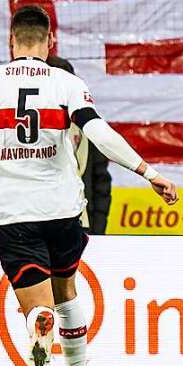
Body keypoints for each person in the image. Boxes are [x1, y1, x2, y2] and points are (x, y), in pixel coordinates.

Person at [0, 5, 177, 366]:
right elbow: (99, 133)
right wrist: (147, 171)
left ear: (10, 41)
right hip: (63, 209)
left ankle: (38, 322)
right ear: (50, 43)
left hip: (13, 213)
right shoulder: (66, 83)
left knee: (37, 303)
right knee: (67, 292)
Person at [46, 55, 113, 234]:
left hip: (81, 225)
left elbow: (101, 182)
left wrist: (98, 228)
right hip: (38, 222)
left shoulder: (88, 127)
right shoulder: (24, 128)